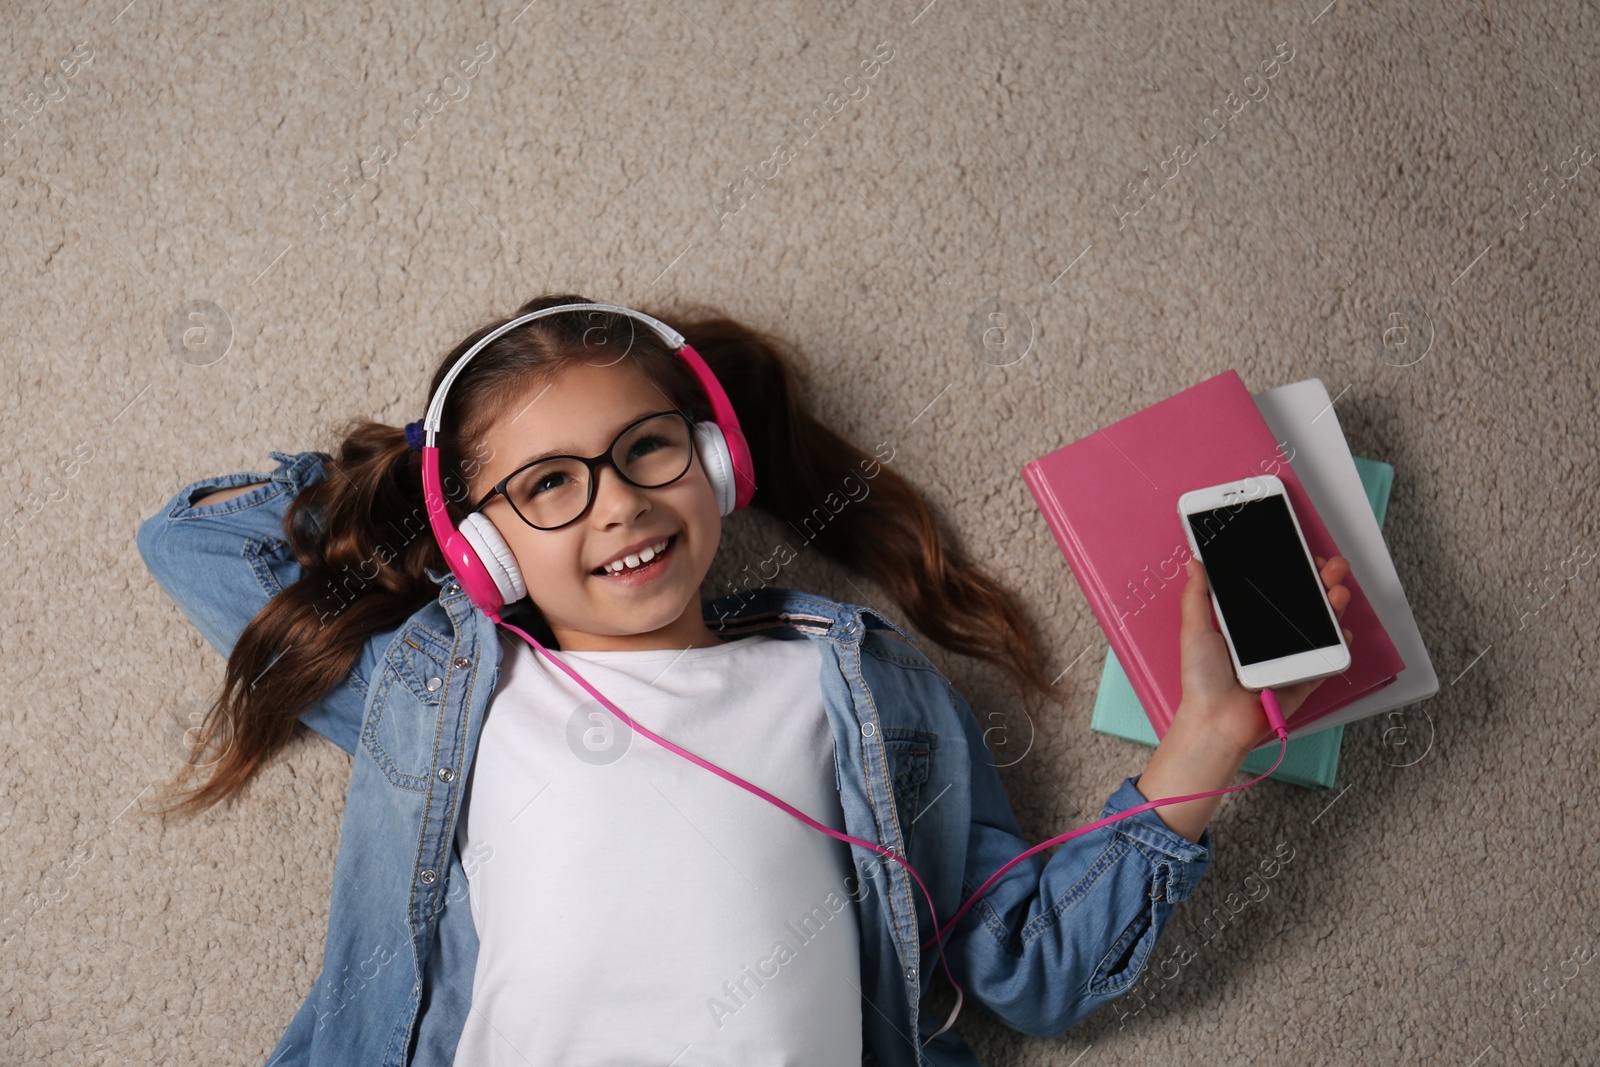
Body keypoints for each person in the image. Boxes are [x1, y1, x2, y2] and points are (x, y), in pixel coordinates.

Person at [136, 294, 1353, 1066]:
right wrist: (416, 492)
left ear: (713, 459)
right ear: (484, 542)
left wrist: (1204, 738)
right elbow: (190, 539)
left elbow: (1017, 964)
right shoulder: (448, 687)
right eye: (547, 486)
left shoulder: (856, 685)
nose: (617, 501)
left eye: (646, 449)